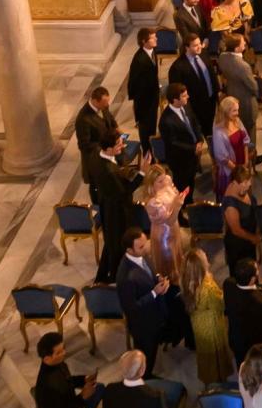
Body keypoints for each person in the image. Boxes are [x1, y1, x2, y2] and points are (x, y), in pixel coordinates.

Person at [88, 132, 149, 283]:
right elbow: (124, 191)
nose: (122, 145)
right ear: (108, 149)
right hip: (116, 211)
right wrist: (142, 172)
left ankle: (103, 275)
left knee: (111, 243)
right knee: (116, 244)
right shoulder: (108, 171)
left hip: (109, 203)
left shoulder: (99, 155)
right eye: (118, 144)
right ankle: (114, 277)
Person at [116, 229, 171, 377]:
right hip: (143, 324)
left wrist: (158, 278)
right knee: (146, 354)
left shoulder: (142, 255)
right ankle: (146, 377)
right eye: (140, 247)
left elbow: (149, 272)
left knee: (154, 347)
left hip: (156, 314)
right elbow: (131, 307)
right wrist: (154, 293)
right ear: (129, 250)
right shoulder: (125, 276)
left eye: (145, 243)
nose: (146, 247)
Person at [34, 332, 101, 408]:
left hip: (72, 404)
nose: (64, 353)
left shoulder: (57, 363)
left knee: (99, 387)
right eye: (59, 352)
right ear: (46, 359)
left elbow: (68, 380)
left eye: (63, 349)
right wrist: (83, 396)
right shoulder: (49, 387)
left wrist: (84, 379)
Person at [182, 249, 233, 384]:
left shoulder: (187, 281)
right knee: (215, 354)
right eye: (205, 259)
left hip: (198, 323)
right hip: (212, 325)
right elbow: (221, 305)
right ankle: (217, 379)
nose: (208, 261)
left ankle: (207, 377)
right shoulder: (208, 287)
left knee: (204, 352)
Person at [225, 258, 262, 367]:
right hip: (257, 344)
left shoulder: (228, 284)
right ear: (252, 279)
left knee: (241, 362)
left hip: (237, 338)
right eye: (257, 271)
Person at [157, 83, 205, 201]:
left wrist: (199, 140)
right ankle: (183, 207)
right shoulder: (166, 121)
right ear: (175, 100)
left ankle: (190, 201)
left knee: (191, 182)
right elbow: (174, 143)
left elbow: (195, 124)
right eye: (184, 96)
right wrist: (194, 148)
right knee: (182, 186)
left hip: (192, 156)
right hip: (180, 160)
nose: (188, 97)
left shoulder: (186, 106)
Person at [141, 166, 187, 282]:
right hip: (164, 236)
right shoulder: (153, 202)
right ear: (152, 185)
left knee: (177, 257)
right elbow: (169, 221)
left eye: (164, 179)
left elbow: (173, 193)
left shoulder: (166, 187)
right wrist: (177, 206)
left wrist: (178, 197)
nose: (164, 183)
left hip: (173, 229)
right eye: (160, 181)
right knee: (168, 265)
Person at [168, 34, 219, 137]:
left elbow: (211, 74)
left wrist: (217, 91)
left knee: (210, 127)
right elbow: (177, 91)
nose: (199, 47)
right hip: (195, 106)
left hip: (210, 99)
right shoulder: (177, 67)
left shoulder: (204, 54)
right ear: (187, 47)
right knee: (198, 131)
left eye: (200, 43)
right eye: (195, 45)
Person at [75, 87, 118, 205]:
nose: (107, 105)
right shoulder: (83, 119)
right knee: (96, 186)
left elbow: (109, 118)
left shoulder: (103, 106)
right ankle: (99, 205)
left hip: (109, 150)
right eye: (105, 103)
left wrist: (117, 130)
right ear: (95, 101)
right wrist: (104, 149)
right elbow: (84, 145)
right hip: (95, 158)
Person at [219, 33, 261, 140]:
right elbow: (253, 87)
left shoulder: (222, 57)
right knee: (250, 130)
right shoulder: (243, 66)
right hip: (246, 101)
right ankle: (252, 154)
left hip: (231, 93)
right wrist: (259, 94)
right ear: (237, 48)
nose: (245, 43)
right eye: (243, 43)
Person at [211, 96, 252, 200]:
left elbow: (245, 140)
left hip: (242, 163)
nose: (237, 113)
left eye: (237, 110)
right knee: (231, 199)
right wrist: (237, 171)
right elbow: (222, 157)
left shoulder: (237, 120)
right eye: (234, 111)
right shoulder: (218, 129)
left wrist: (246, 161)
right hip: (230, 169)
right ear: (225, 111)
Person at [127, 29, 161, 152]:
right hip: (144, 102)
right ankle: (148, 153)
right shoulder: (139, 60)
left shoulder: (153, 51)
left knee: (152, 126)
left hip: (153, 97)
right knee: (145, 129)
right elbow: (134, 82)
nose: (156, 39)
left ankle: (152, 149)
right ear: (144, 41)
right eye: (153, 38)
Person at [222, 166, 260, 271]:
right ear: (235, 182)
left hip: (249, 237)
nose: (249, 184)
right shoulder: (230, 204)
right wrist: (253, 238)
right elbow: (236, 230)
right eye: (245, 182)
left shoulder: (241, 188)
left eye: (249, 180)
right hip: (239, 245)